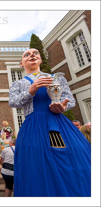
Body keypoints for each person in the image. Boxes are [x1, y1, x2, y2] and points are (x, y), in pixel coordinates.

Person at [9, 48, 91, 196]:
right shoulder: (18, 84)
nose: (32, 55)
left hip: (58, 123)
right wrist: (31, 89)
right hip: (33, 127)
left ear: (40, 59)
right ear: (21, 63)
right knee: (36, 164)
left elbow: (70, 100)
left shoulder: (57, 78)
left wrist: (62, 106)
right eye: (27, 55)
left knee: (71, 160)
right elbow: (13, 102)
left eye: (35, 53)